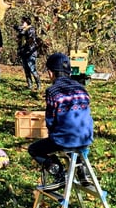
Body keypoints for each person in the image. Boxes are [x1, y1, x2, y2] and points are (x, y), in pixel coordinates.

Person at [28, 52, 94, 189]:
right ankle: (82, 170)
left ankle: (58, 172)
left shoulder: (53, 91)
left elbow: (50, 120)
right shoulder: (82, 88)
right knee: (74, 136)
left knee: (34, 149)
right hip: (86, 138)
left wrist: (52, 134)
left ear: (50, 73)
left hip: (65, 139)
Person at [14, 16, 41, 90]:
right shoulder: (23, 30)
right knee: (26, 69)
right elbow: (18, 36)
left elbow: (29, 37)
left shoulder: (31, 29)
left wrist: (21, 29)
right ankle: (30, 85)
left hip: (30, 52)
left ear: (27, 22)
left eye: (23, 22)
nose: (22, 23)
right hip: (23, 52)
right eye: (22, 22)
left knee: (32, 68)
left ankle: (38, 84)